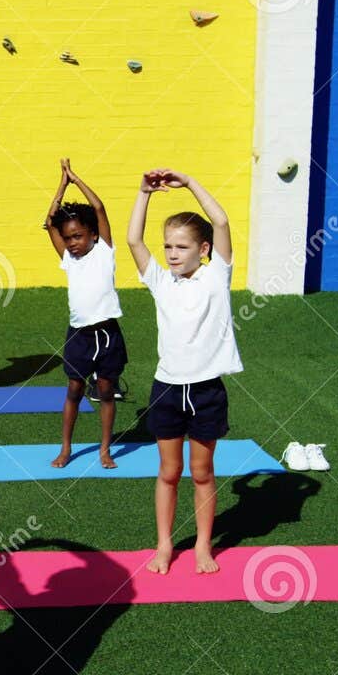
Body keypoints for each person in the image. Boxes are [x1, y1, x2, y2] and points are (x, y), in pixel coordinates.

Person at [125, 169, 243, 574]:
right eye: (168, 246)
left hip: (207, 391)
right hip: (167, 391)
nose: (172, 254)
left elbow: (221, 221)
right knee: (169, 471)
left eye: (182, 246)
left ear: (203, 249)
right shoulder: (161, 282)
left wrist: (191, 182)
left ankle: (203, 546)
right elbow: (134, 240)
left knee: (202, 472)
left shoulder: (216, 276)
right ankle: (164, 545)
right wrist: (144, 193)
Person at [46, 158, 125, 470]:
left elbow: (99, 208)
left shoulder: (104, 251)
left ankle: (105, 450)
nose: (72, 243)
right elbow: (50, 221)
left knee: (106, 392)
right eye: (68, 238)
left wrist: (76, 179)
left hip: (107, 334)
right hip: (79, 335)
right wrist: (61, 185)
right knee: (74, 390)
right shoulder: (69, 259)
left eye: (77, 236)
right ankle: (66, 448)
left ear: (93, 234)